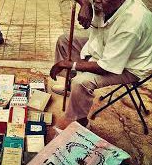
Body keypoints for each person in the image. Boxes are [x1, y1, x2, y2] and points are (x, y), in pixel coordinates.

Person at [50, 0, 152, 130]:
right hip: (105, 45)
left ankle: (80, 123)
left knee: (81, 81)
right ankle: (70, 89)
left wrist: (69, 64)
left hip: (130, 65)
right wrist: (85, 3)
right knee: (64, 41)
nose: (96, 1)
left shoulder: (131, 24)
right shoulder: (103, 3)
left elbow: (106, 67)